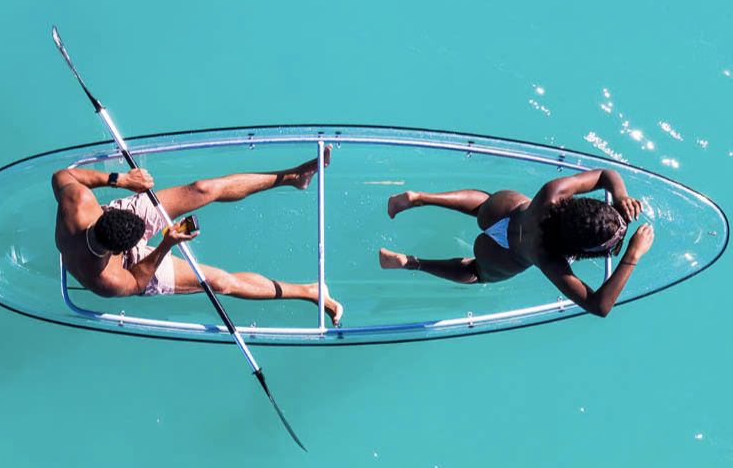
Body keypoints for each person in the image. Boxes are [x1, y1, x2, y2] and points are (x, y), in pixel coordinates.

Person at [52, 146, 343, 325]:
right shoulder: (107, 281)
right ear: (119, 249)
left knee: (204, 188)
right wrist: (166, 243)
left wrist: (122, 180)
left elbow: (63, 175)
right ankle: (309, 291)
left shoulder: (79, 203)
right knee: (220, 282)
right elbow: (140, 278)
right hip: (133, 268)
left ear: (108, 213)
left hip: (110, 232)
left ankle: (294, 177)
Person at [378, 169, 654, 317]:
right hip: (501, 255)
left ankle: (420, 198)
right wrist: (631, 255)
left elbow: (607, 175)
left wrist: (620, 196)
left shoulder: (553, 193)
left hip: (504, 210)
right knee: (476, 273)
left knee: (483, 204)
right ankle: (410, 263)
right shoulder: (550, 261)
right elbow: (599, 306)